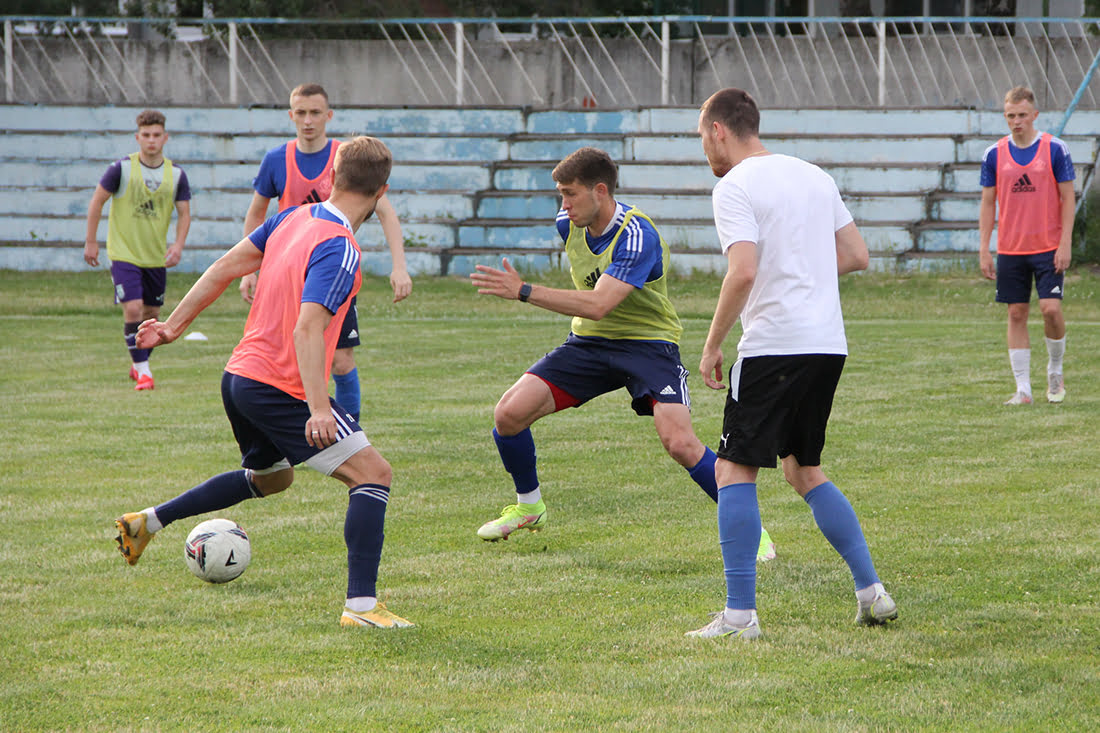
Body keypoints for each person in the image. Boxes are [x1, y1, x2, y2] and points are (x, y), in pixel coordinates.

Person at [114, 136, 413, 629]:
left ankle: (148, 521)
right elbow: (308, 326)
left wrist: (173, 326)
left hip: (240, 377)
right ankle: (361, 608)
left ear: (333, 177)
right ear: (382, 190)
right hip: (280, 387)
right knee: (372, 475)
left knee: (273, 478)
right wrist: (320, 408)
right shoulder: (341, 248)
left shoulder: (291, 217)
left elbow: (224, 268)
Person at [469, 146, 775, 562]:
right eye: (560, 194)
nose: (564, 205)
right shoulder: (568, 223)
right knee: (507, 414)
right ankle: (529, 507)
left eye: (570, 194)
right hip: (591, 343)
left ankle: (750, 531)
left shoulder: (637, 234)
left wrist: (524, 291)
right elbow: (594, 314)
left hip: (648, 344)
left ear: (600, 190)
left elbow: (599, 304)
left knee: (681, 443)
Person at [688, 88, 896, 640]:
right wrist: (803, 267)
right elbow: (856, 255)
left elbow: (744, 272)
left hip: (774, 344)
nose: (704, 150)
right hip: (827, 343)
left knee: (733, 469)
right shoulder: (814, 175)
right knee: (803, 469)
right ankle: (871, 592)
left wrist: (712, 345)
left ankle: (739, 618)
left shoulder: (734, 185)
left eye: (700, 137)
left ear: (718, 131)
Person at [240, 82, 412, 421]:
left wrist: (400, 266)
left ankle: (350, 432)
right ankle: (287, 424)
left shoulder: (345, 157)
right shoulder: (277, 159)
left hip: (331, 269)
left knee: (341, 358)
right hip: (290, 272)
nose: (308, 120)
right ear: (291, 115)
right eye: (301, 113)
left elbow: (386, 211)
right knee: (285, 352)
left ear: (328, 116)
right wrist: (250, 269)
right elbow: (256, 213)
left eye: (315, 113)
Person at [83, 109, 192, 391]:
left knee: (151, 316)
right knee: (132, 308)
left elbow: (184, 213)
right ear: (137, 137)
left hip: (154, 257)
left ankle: (138, 363)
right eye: (146, 135)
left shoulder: (176, 174)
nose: (151, 140)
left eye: (157, 135)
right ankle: (144, 373)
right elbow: (97, 202)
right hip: (123, 254)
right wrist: (91, 241)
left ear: (165, 137)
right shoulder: (121, 169)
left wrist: (178, 245)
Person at [979, 85, 1074, 405]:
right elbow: (988, 202)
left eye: (1022, 115)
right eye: (1010, 116)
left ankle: (1055, 371)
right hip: (1010, 248)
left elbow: (1068, 197)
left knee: (1050, 308)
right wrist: (984, 247)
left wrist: (1065, 243)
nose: (1016, 121)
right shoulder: (994, 154)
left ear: (1034, 115)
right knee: (1016, 313)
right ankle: (1023, 390)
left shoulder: (1055, 149)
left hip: (1047, 246)